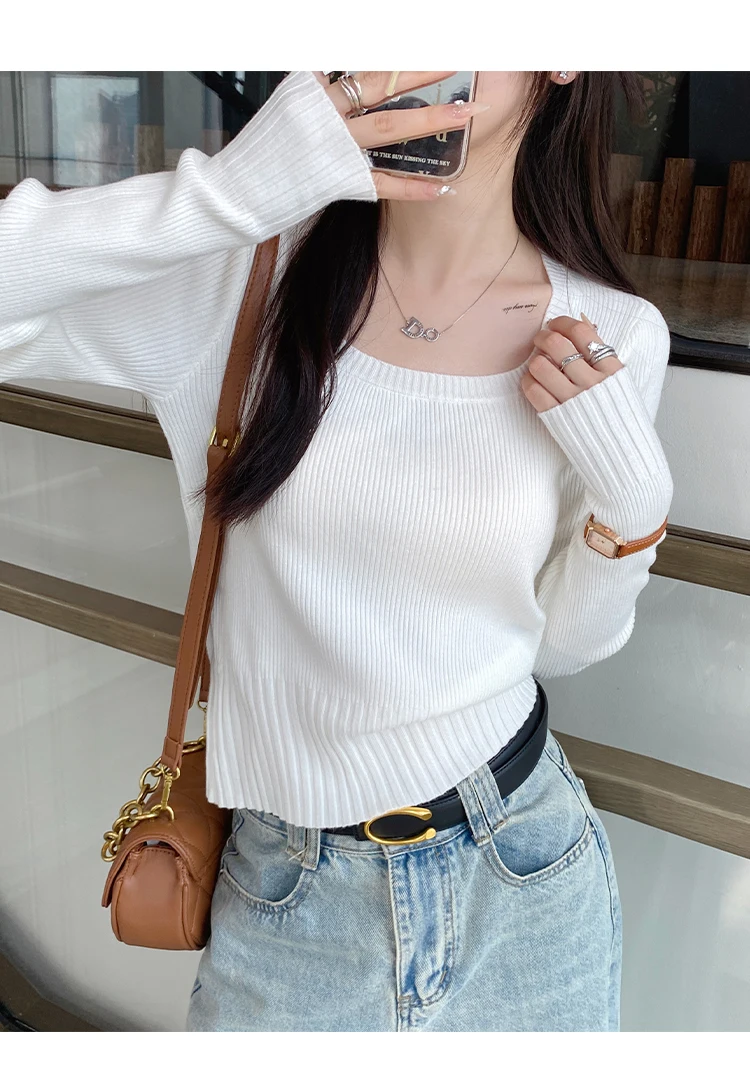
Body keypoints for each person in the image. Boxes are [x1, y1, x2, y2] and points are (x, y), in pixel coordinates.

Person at [0, 70, 674, 1032]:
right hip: (288, 893)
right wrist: (237, 191)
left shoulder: (613, 333)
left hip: (522, 870)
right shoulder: (239, 285)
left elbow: (559, 645)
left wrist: (635, 507)